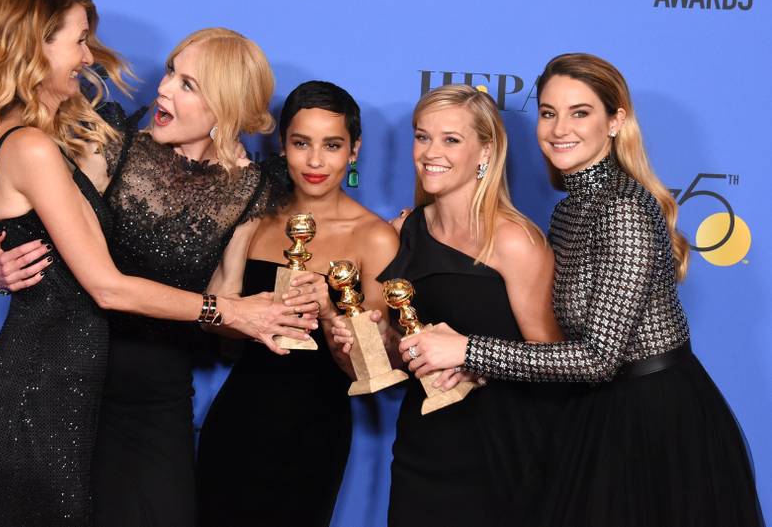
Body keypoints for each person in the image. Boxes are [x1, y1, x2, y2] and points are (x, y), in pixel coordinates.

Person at [0, 0, 312, 527]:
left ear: (226, 102)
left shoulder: (250, 189)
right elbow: (101, 281)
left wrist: (265, 314)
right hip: (63, 388)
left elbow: (46, 237)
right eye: (79, 40)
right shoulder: (91, 144)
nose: (161, 89)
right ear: (37, 43)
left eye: (189, 83)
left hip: (126, 392)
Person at [400, 54, 765, 527]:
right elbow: (563, 346)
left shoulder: (624, 209)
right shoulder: (571, 208)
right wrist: (477, 366)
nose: (558, 128)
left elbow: (597, 358)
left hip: (653, 420)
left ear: (616, 121)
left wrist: (467, 351)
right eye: (549, 112)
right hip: (596, 411)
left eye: (580, 112)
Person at [332, 84, 564, 526]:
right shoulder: (403, 232)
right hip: (426, 446)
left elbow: (556, 364)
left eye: (451, 139)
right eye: (422, 136)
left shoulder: (515, 241)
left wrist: (474, 358)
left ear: (485, 151)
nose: (430, 152)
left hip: (507, 451)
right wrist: (374, 340)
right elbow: (400, 361)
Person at [196, 81, 400, 527]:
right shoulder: (254, 216)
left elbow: (373, 371)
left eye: (332, 145)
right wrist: (253, 313)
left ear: (354, 151)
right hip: (238, 419)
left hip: (315, 428)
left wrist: (328, 311)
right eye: (301, 143)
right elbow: (214, 319)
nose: (314, 161)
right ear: (283, 144)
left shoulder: (374, 237)